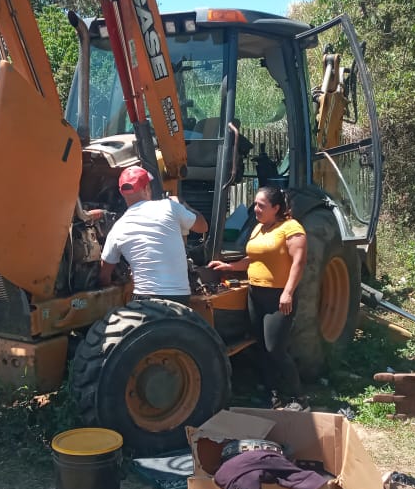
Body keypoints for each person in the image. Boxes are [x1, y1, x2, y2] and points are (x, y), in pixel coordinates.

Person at [208, 186, 308, 409]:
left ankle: (298, 397)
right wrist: (231, 266)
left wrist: (288, 292)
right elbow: (253, 258)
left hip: (278, 297)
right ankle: (272, 395)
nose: (256, 208)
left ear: (276, 208)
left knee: (275, 348)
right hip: (255, 294)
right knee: (261, 346)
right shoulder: (258, 228)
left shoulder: (291, 228)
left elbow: (299, 262)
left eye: (261, 205)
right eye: (255, 204)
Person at [99, 166, 208, 304]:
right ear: (146, 188)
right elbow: (203, 227)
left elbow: (104, 276)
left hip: (144, 301)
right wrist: (182, 204)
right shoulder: (170, 207)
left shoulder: (117, 228)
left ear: (122, 193)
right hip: (179, 299)